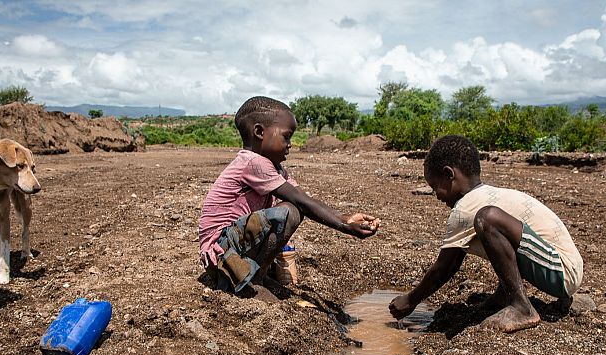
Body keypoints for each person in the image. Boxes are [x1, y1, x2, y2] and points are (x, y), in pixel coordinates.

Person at [389, 135, 583, 332]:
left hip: (561, 272)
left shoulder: (466, 208)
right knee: (490, 227)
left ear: (449, 174)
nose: (436, 195)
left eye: (434, 187)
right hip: (562, 266)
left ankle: (522, 308)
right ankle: (506, 295)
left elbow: (445, 267)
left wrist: (410, 300)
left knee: (487, 219)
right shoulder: (485, 195)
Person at [198, 96, 380, 298]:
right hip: (221, 251)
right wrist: (344, 226)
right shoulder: (252, 163)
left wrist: (345, 217)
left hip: (230, 245)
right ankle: (255, 277)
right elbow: (299, 202)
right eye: (286, 136)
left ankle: (259, 273)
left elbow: (302, 197)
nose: (290, 144)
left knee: (292, 207)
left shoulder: (273, 168)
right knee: (290, 211)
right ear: (259, 132)